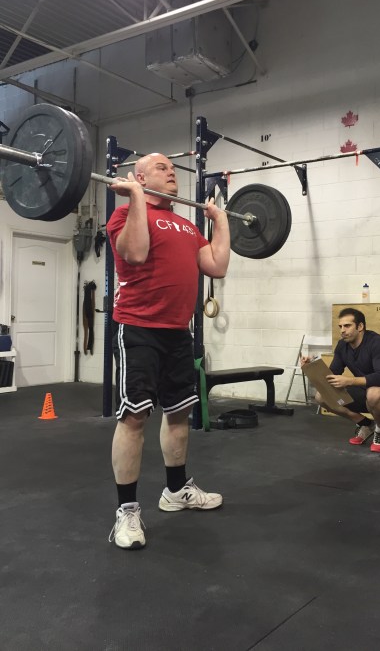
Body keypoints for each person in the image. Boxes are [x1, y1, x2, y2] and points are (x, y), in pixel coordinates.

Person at [106, 153, 230, 550]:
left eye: (173, 169)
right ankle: (127, 511)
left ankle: (176, 491)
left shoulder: (186, 225)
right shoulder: (123, 215)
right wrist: (136, 198)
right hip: (138, 328)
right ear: (140, 177)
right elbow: (136, 253)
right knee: (134, 417)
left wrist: (220, 220)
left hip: (178, 332)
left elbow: (216, 265)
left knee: (178, 412)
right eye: (163, 168)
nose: (172, 173)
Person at [302, 308, 380, 453]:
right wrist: (311, 366)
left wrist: (350, 381)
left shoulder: (378, 342)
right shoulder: (342, 345)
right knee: (321, 396)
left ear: (360, 326)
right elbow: (332, 375)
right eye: (340, 326)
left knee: (374, 393)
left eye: (347, 326)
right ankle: (365, 424)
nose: (342, 330)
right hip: (363, 391)